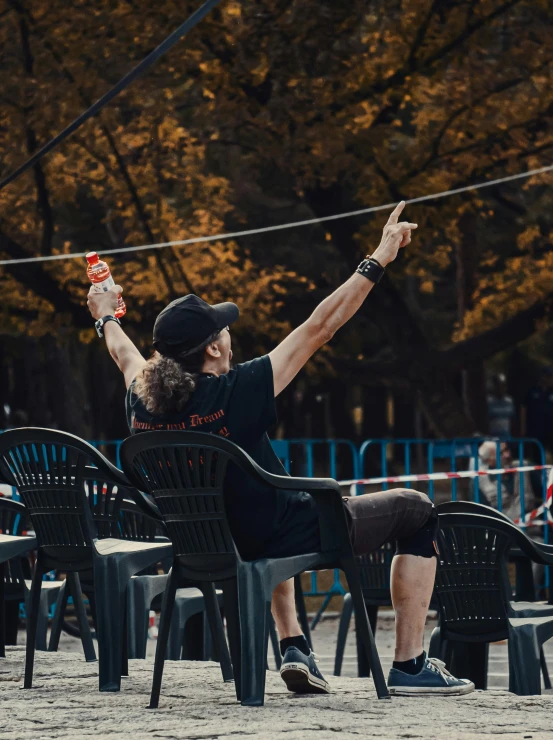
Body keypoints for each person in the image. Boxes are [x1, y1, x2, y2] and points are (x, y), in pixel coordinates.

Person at [87, 202, 474, 697]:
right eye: (223, 330)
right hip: (278, 536)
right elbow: (319, 326)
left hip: (206, 545)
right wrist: (378, 257)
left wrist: (104, 314)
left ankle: (295, 645)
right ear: (212, 349)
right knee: (418, 511)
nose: (230, 336)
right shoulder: (237, 392)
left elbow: (123, 352)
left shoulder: (141, 398)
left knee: (260, 494)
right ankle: (410, 664)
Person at [523, 368, 553, 453]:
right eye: (550, 377)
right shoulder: (532, 391)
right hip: (536, 431)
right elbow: (524, 409)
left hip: (550, 431)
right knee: (537, 457)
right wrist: (523, 429)